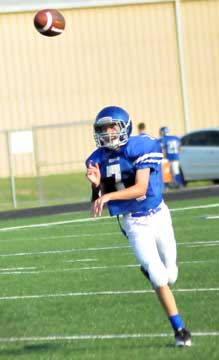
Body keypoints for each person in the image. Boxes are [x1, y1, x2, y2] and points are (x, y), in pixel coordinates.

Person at [85, 105, 191, 347]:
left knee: (170, 275)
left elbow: (141, 187)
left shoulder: (141, 146)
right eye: (102, 129)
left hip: (158, 215)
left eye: (111, 127)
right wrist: (95, 186)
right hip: (133, 222)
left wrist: (107, 197)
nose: (107, 133)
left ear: (124, 127)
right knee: (157, 274)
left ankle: (157, 275)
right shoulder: (96, 159)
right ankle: (180, 330)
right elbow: (97, 201)